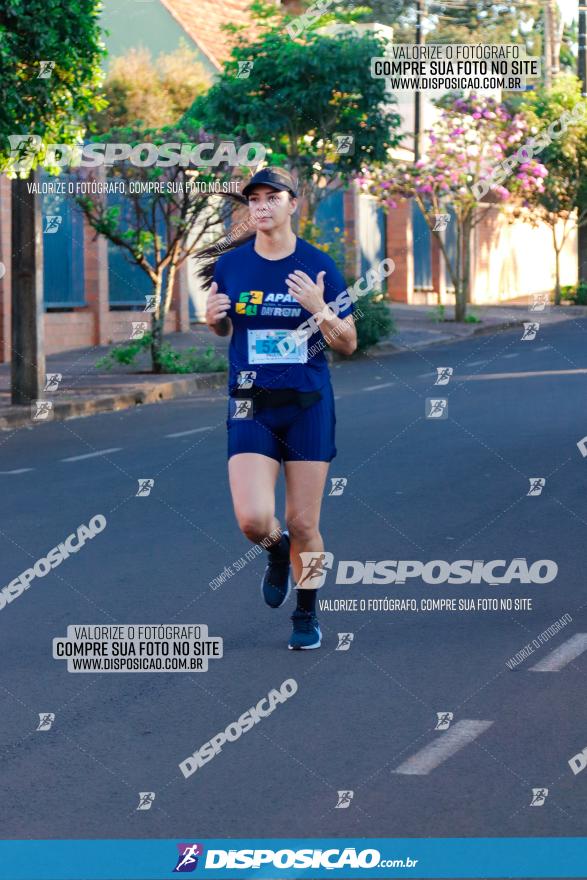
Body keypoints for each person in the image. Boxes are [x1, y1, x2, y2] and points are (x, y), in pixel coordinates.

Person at [205, 167, 357, 650]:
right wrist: (211, 321)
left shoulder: (318, 265)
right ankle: (276, 553)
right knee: (254, 520)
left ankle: (307, 611)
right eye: (254, 199)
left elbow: (349, 343)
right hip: (250, 401)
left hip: (306, 403)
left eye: (273, 197)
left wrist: (320, 307)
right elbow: (224, 328)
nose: (262, 206)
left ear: (295, 204)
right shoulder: (231, 266)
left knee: (304, 522)